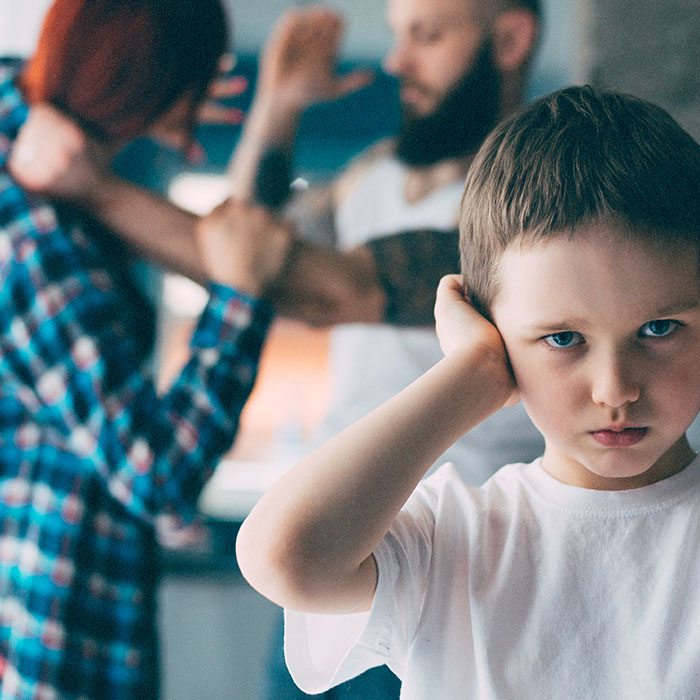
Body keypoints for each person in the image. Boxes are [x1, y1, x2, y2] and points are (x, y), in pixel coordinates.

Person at [235, 85, 700, 698]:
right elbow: (281, 556)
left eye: (659, 329)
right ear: (490, 330)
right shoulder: (453, 534)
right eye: (563, 339)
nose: (615, 389)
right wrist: (473, 374)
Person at [0, 1, 290, 698]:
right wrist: (241, 303)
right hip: (50, 644)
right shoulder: (33, 237)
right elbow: (157, 474)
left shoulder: (34, 170)